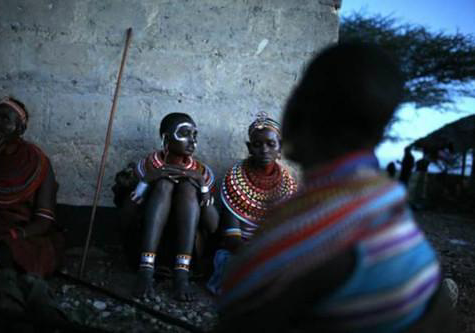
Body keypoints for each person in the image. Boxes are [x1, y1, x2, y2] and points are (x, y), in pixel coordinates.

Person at [218, 43, 455, 333]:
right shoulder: (389, 206)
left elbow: (235, 318)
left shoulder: (298, 235)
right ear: (380, 130)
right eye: (258, 143)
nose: (265, 148)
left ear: (293, 117)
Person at [0, 97, 64, 323]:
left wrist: (17, 234)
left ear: (20, 128)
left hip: (26, 233)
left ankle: (25, 294)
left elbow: (44, 220)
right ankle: (9, 297)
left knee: (10, 251)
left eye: (4, 118)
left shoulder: (37, 161)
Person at [122, 112, 218, 301]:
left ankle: (181, 275)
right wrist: (147, 180)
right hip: (147, 246)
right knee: (164, 185)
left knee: (188, 189)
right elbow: (125, 220)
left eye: (194, 135)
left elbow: (213, 226)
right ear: (166, 138)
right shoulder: (146, 167)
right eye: (184, 134)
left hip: (187, 250)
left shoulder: (202, 172)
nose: (192, 141)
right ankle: (146, 271)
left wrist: (203, 186)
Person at [207, 112, 297, 294]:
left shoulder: (288, 185)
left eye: (271, 144)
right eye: (257, 145)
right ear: (249, 147)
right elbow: (232, 238)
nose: (264, 150)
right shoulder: (234, 180)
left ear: (280, 148)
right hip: (240, 251)